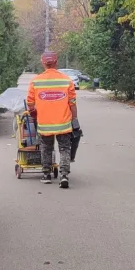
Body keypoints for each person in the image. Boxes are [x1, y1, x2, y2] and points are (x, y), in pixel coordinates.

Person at [27, 51, 79, 188]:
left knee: (46, 148)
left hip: (44, 123)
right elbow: (72, 103)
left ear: (43, 63)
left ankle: (46, 175)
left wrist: (35, 114)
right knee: (65, 148)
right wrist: (74, 120)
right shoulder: (66, 80)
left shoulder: (36, 81)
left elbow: (30, 104)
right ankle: (64, 175)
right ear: (56, 62)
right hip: (63, 123)